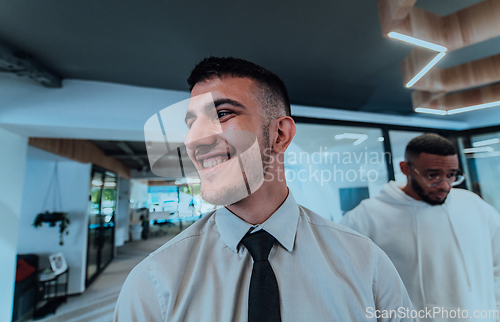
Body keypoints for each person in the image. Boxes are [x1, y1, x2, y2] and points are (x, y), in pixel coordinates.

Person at [114, 57, 414, 321]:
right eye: (192, 123)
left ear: (280, 134)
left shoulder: (366, 263)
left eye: (222, 114)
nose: (195, 140)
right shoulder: (154, 281)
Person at [341, 133, 500, 321]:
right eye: (432, 175)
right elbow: (349, 283)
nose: (445, 185)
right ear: (405, 168)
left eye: (451, 175)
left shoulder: (474, 205)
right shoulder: (365, 217)